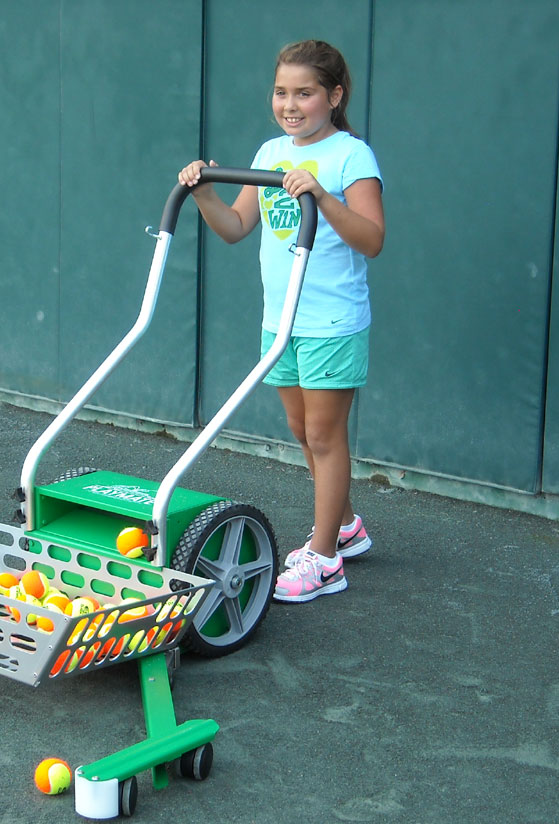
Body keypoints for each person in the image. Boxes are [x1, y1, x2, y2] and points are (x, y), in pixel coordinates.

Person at [178, 39, 384, 603]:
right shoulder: (270, 152)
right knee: (301, 431)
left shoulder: (351, 157)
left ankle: (324, 558)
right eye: (281, 92)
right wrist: (202, 192)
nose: (290, 104)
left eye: (305, 93)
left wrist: (320, 191)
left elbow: (372, 239)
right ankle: (346, 527)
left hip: (332, 321)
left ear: (334, 95)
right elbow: (236, 226)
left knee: (324, 433)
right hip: (283, 319)